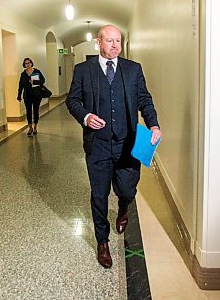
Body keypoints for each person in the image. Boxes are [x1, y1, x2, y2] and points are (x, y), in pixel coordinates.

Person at [66, 25, 162, 268]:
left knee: (127, 190)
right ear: (99, 42)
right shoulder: (83, 70)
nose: (115, 45)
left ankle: (123, 208)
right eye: (110, 41)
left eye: (118, 41)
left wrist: (153, 125)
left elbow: (144, 100)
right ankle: (102, 242)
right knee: (98, 195)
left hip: (127, 143)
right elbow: (72, 100)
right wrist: (86, 117)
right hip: (97, 145)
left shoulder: (133, 69)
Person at [17, 57, 46, 135]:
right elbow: (20, 85)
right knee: (28, 111)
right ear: (24, 65)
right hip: (27, 95)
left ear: (31, 63)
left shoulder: (37, 72)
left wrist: (34, 81)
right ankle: (30, 128)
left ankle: (35, 127)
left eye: (29, 63)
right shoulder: (23, 74)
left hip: (37, 95)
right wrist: (19, 96)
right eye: (26, 63)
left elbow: (43, 80)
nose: (28, 64)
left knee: (36, 111)